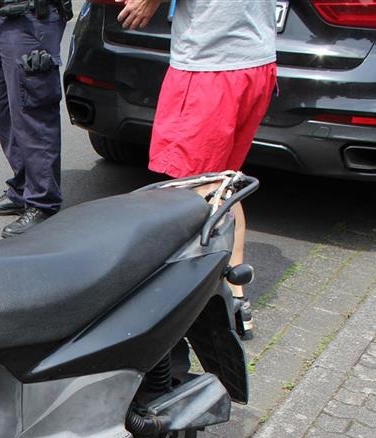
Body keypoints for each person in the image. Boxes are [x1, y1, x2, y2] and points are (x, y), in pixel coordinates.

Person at [118, 0, 277, 338]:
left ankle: (196, 301)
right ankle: (235, 298)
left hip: (211, 66)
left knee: (195, 190)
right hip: (254, 60)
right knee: (224, 183)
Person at [0, 0, 71, 238]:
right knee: (5, 114)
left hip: (31, 18)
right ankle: (22, 188)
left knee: (33, 114)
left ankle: (43, 202)